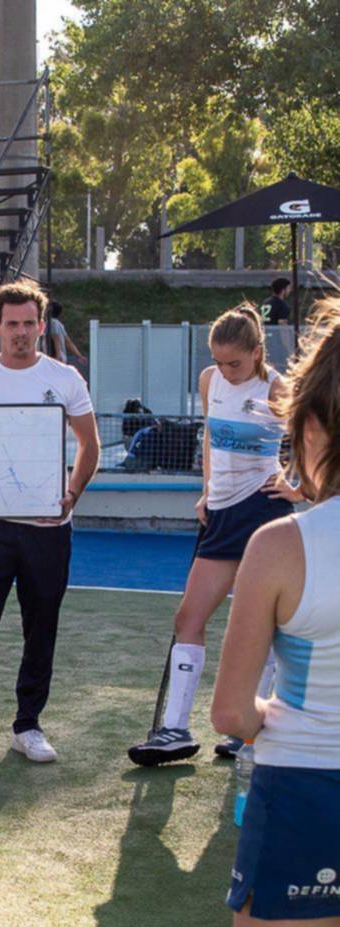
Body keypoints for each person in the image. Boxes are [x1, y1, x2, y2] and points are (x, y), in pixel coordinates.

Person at [211, 298, 340, 927]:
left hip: (302, 789)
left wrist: (266, 716)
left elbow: (231, 714)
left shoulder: (282, 545)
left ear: (311, 422)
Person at [128, 304, 302, 767]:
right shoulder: (210, 381)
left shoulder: (278, 388)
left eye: (236, 364)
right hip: (220, 514)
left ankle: (250, 727)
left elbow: (315, 440)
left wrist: (295, 486)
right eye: (220, 362)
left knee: (260, 622)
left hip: (264, 511)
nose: (227, 371)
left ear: (257, 352)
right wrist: (206, 491)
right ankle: (174, 731)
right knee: (189, 617)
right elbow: (210, 437)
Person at [0, 280, 100, 775]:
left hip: (48, 528)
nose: (21, 333)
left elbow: (89, 446)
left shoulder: (66, 378)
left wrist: (71, 496)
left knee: (41, 630)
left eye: (30, 323)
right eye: (12, 324)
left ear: (41, 323)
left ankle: (27, 725)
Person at [46, 302, 86, 366]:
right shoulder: (59, 325)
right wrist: (79, 355)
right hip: (62, 359)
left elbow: (56, 340)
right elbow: (68, 342)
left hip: (54, 358)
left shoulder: (52, 323)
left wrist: (57, 359)